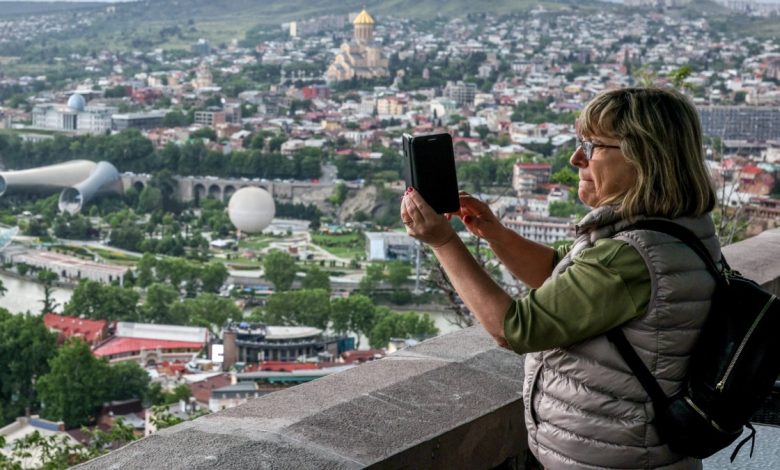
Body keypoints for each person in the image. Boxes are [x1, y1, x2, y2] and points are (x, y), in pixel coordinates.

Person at [400, 87, 719, 469]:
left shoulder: (629, 254)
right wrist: (494, 233)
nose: (576, 158)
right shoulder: (669, 229)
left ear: (644, 156)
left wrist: (443, 242)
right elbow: (565, 281)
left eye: (593, 146)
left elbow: (514, 328)